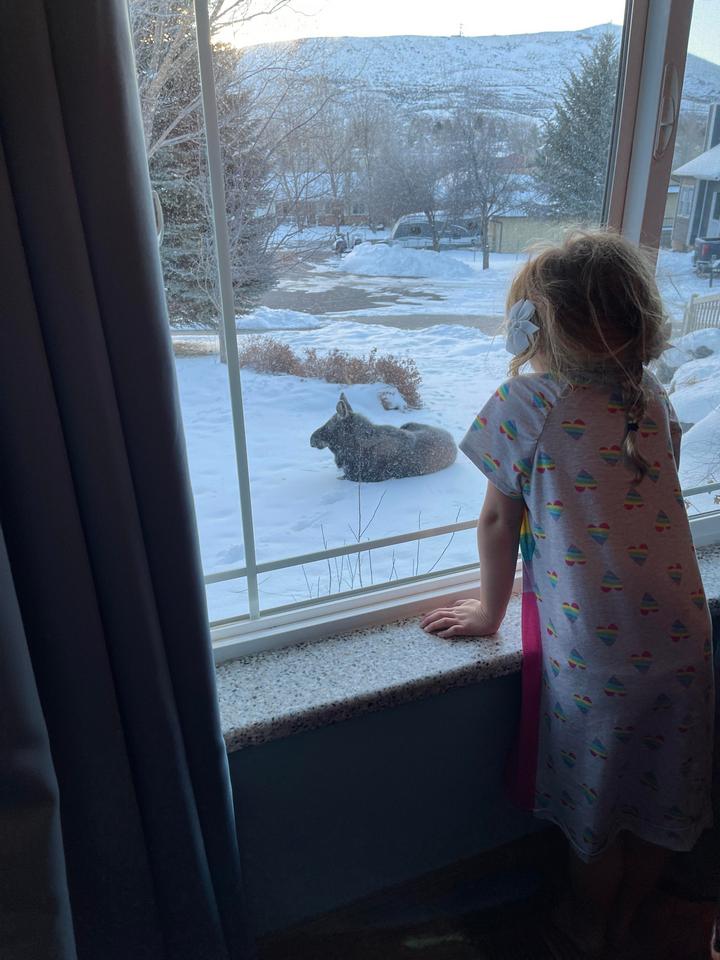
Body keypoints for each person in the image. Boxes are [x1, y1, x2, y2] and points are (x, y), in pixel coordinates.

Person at [422, 231, 714, 956]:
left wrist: (489, 612)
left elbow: (498, 521)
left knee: (599, 814)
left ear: (538, 325)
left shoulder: (526, 403)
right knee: (657, 803)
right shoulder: (651, 396)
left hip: (598, 656)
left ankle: (587, 930)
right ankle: (628, 922)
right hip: (682, 638)